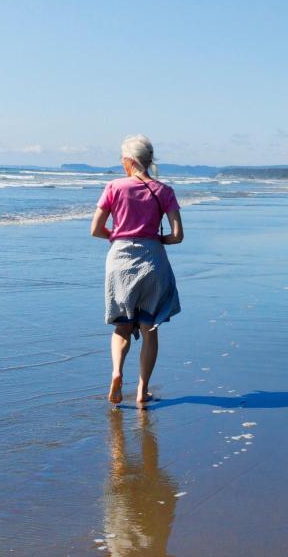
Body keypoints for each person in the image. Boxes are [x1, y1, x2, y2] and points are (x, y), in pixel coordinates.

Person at [90, 135, 183, 407]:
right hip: (152, 258)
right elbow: (177, 236)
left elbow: (95, 229)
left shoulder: (114, 187)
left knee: (121, 326)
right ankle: (143, 390)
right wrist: (154, 240)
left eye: (122, 159)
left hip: (119, 258)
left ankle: (117, 372)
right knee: (149, 328)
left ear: (130, 161)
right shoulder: (164, 191)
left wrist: (119, 236)